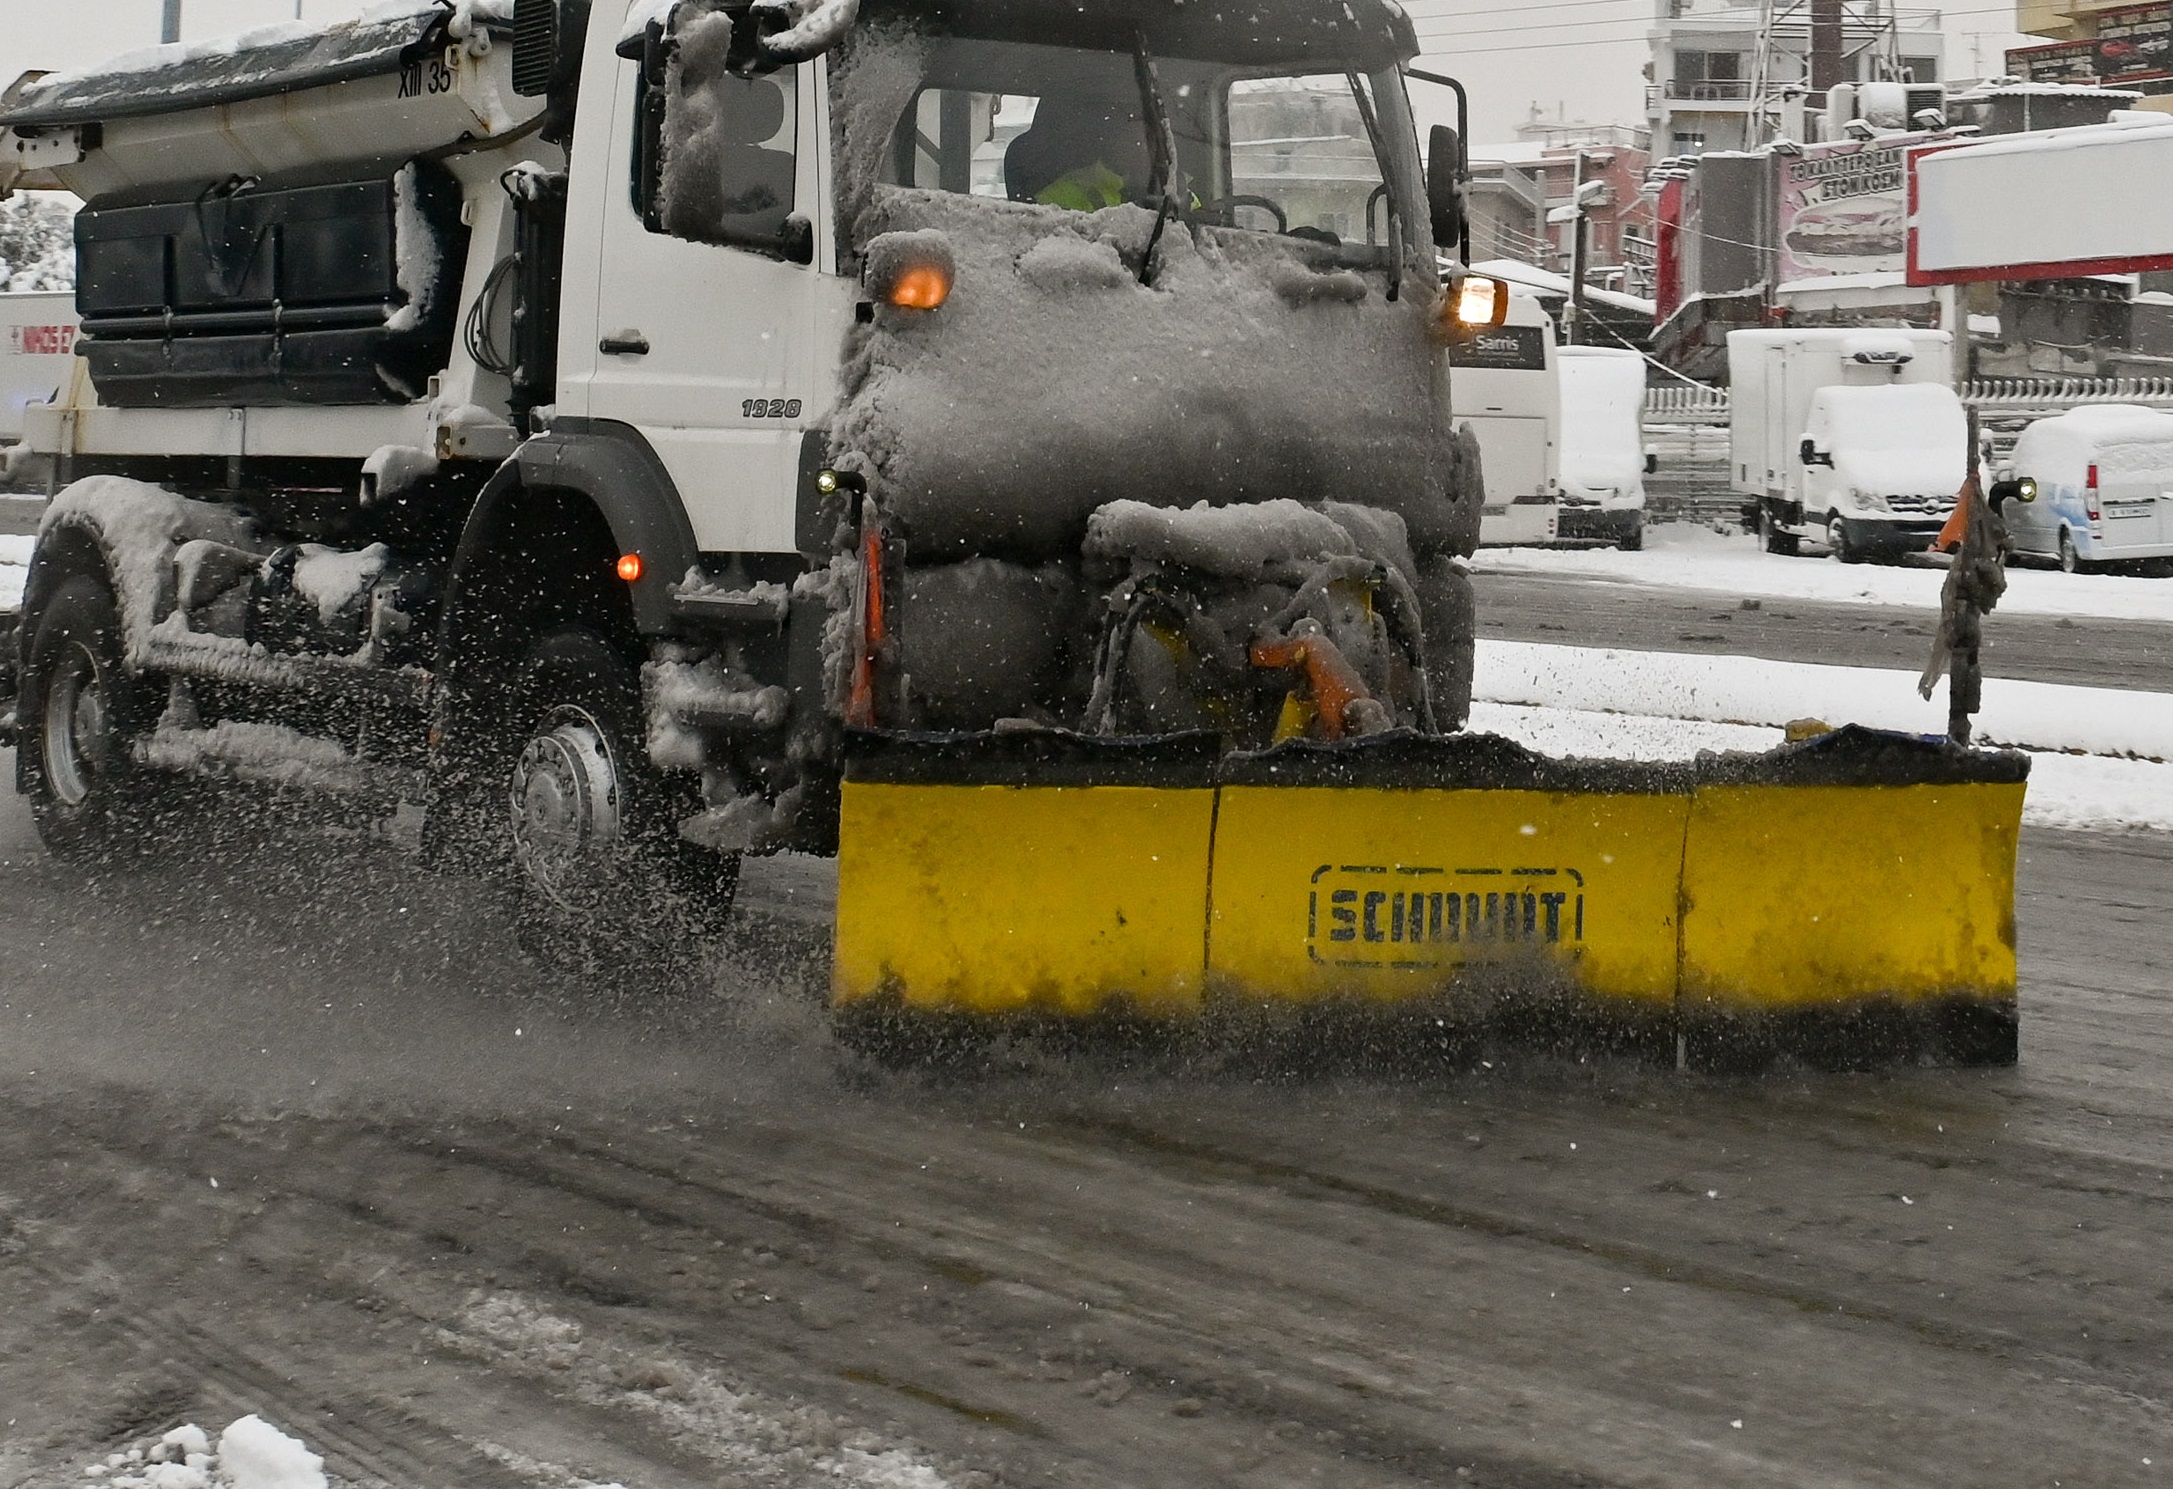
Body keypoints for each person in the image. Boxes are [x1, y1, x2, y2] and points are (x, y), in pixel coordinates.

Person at [1005, 85, 1152, 211]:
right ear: (1113, 141)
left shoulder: (1160, 201)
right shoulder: (1063, 196)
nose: (1146, 150)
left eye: (1151, 142)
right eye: (1137, 140)